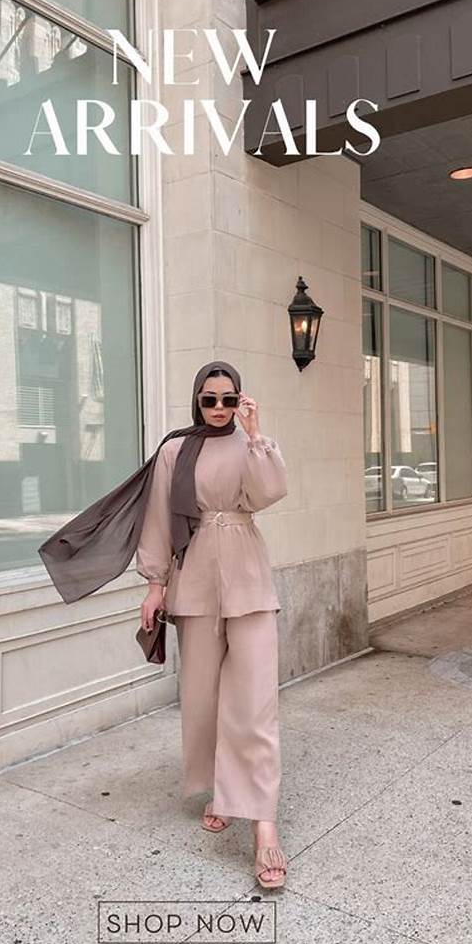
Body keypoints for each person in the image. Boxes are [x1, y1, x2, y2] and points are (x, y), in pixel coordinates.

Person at [136, 360, 289, 889]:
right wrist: (154, 584)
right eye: (210, 399)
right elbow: (158, 518)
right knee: (202, 697)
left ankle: (263, 824)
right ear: (197, 400)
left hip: (248, 577)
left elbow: (270, 493)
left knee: (256, 702)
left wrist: (255, 435)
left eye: (228, 398)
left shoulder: (252, 445)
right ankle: (221, 791)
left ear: (240, 399)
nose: (219, 408)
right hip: (195, 579)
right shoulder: (176, 450)